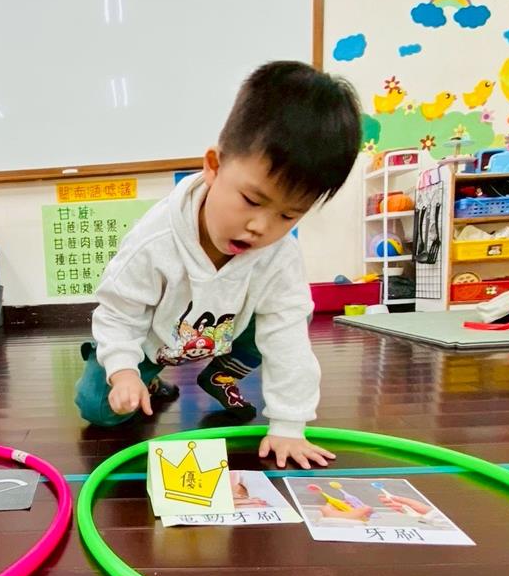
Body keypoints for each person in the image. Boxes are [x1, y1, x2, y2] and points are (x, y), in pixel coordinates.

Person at [74, 61, 362, 469]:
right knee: (97, 407)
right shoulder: (155, 240)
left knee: (281, 322)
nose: (260, 227)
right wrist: (123, 371)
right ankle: (147, 380)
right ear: (213, 165)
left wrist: (289, 425)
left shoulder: (279, 255)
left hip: (225, 334)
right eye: (252, 200)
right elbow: (119, 312)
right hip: (154, 342)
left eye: (288, 216)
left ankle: (219, 375)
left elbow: (289, 339)